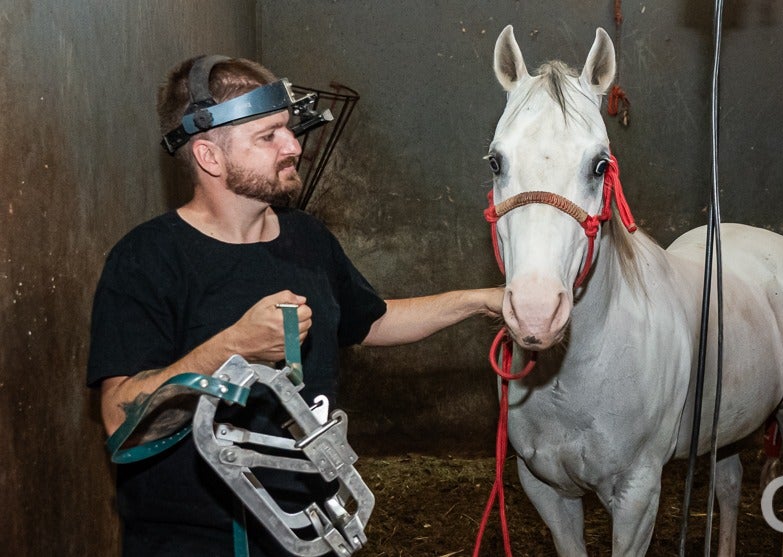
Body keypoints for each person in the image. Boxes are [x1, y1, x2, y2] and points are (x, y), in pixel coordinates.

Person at [86, 55, 503, 557]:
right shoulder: (146, 259)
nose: (294, 146)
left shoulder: (307, 238)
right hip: (199, 541)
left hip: (311, 532)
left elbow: (371, 321)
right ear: (210, 157)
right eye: (269, 136)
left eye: (288, 129)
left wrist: (480, 301)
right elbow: (120, 420)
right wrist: (232, 348)